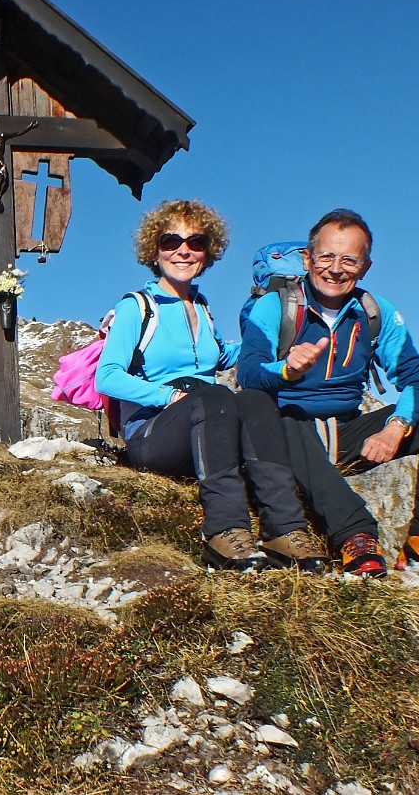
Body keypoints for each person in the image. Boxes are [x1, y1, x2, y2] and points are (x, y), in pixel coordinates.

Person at [236, 208, 419, 584]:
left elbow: (416, 380)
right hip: (287, 431)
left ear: (365, 266)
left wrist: (396, 426)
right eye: (326, 257)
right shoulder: (274, 306)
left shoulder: (374, 312)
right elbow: (249, 373)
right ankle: (356, 535)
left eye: (349, 259)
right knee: (283, 418)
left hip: (346, 432)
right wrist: (286, 369)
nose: (335, 269)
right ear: (308, 258)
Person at [95, 200, 330, 573]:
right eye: (171, 240)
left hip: (204, 425)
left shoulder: (201, 307)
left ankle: (284, 529)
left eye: (196, 242)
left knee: (254, 398)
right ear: (154, 250)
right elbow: (107, 376)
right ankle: (224, 532)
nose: (183, 250)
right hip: (153, 434)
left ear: (208, 252)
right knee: (217, 395)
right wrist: (169, 395)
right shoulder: (137, 307)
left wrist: (271, 344)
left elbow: (221, 356)